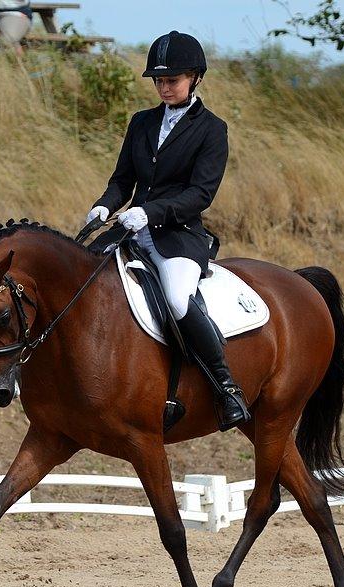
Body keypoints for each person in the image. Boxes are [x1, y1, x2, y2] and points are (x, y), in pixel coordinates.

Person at [84, 30, 250, 431]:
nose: (163, 87)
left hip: (178, 235)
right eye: (158, 80)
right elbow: (123, 179)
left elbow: (200, 194)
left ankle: (226, 388)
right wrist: (106, 203)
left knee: (177, 298)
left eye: (171, 80)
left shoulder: (212, 129)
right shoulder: (141, 123)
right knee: (83, 279)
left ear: (195, 78)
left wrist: (151, 211)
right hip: (128, 231)